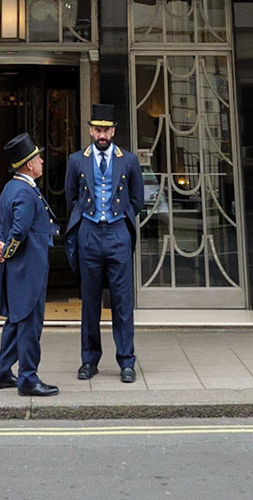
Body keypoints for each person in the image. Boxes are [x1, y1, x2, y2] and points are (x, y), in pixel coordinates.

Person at [64, 103, 144, 383]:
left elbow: (137, 199)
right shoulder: (77, 160)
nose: (102, 134)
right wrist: (89, 216)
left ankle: (127, 361)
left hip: (117, 232)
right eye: (97, 129)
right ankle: (89, 360)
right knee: (90, 302)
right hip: (89, 232)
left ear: (113, 131)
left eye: (106, 130)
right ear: (90, 130)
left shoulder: (129, 160)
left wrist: (118, 218)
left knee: (122, 301)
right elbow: (71, 197)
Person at [0, 130, 59, 397]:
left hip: (17, 269)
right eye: (38, 158)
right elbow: (18, 230)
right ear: (29, 164)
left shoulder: (11, 188)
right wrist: (6, 250)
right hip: (28, 268)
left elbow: (3, 224)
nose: (42, 161)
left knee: (15, 322)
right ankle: (28, 378)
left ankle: (1, 372)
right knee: (29, 324)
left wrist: (0, 244)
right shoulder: (26, 192)